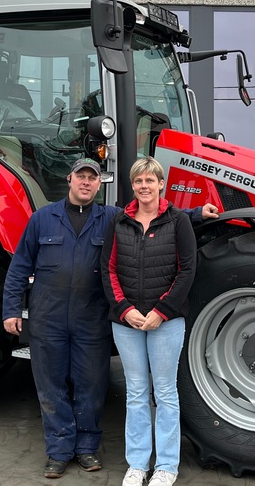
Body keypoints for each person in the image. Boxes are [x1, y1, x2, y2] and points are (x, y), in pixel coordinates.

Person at [3, 158, 216, 480]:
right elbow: (20, 265)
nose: (86, 183)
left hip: (91, 317)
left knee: (91, 385)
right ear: (70, 179)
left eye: (92, 178)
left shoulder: (111, 218)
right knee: (51, 386)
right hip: (49, 317)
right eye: (81, 177)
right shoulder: (42, 219)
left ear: (99, 184)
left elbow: (152, 214)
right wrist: (10, 310)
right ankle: (59, 451)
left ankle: (87, 448)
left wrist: (196, 214)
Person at [101, 157, 196, 486]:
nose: (144, 186)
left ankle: (167, 466)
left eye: (149, 180)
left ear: (160, 185)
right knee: (137, 392)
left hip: (165, 322)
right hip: (126, 321)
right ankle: (138, 464)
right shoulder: (120, 222)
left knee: (166, 392)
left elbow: (187, 270)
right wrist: (124, 309)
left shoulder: (178, 221)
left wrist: (162, 311)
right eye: (138, 180)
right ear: (133, 186)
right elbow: (108, 269)